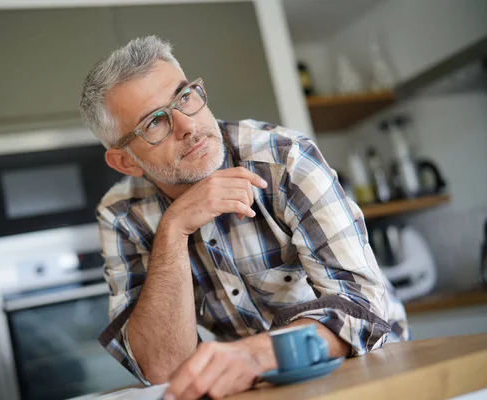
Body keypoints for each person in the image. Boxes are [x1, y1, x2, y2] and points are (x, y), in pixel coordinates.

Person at [79, 36, 409, 400]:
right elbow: (162, 368)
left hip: (373, 369)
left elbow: (362, 307)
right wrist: (173, 229)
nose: (187, 125)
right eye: (155, 122)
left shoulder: (285, 160)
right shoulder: (122, 215)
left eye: (184, 97)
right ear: (125, 161)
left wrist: (255, 355)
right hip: (260, 389)